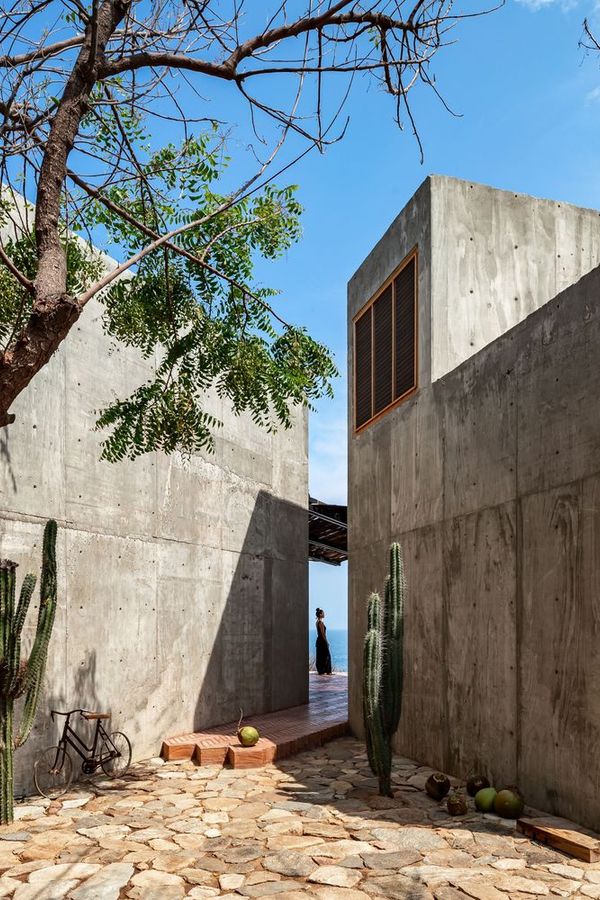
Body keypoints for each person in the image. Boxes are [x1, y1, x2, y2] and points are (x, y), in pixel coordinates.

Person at [315, 607, 332, 675]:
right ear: (320, 614)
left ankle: (321, 670)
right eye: (323, 613)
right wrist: (327, 642)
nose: (324, 614)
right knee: (327, 655)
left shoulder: (317, 622)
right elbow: (322, 634)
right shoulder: (320, 622)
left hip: (319, 641)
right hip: (322, 641)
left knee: (321, 656)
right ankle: (328, 671)